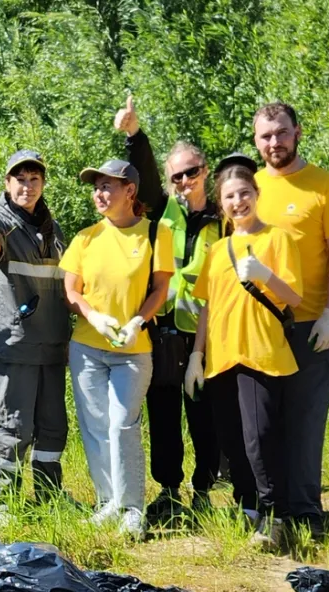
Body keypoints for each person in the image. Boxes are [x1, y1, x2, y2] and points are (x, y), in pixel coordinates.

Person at [116, 95, 227, 518]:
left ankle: (204, 488)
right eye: (176, 176)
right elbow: (141, 176)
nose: (185, 181)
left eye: (192, 173)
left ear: (205, 172)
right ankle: (168, 489)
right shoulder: (160, 212)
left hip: (208, 333)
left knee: (205, 416)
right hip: (163, 330)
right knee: (163, 415)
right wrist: (133, 135)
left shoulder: (224, 216)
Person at [188, 158, 304, 551]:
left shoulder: (278, 238)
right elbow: (207, 306)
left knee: (260, 438)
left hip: (261, 353)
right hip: (222, 356)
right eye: (229, 197)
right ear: (220, 204)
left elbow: (295, 298)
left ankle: (276, 516)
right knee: (233, 442)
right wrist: (196, 355)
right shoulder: (218, 250)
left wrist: (265, 275)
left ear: (256, 195)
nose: (238, 202)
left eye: (244, 193)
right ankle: (248, 507)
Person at [251, 103, 329, 530]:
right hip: (260, 328)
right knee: (265, 426)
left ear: (296, 131)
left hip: (312, 324)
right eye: (265, 136)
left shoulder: (325, 185)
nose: (274, 142)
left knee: (306, 422)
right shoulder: (250, 187)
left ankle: (307, 513)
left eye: (280, 133)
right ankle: (271, 512)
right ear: (256, 141)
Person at [60, 158, 174, 537]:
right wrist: (94, 317)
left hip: (134, 348)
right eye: (97, 187)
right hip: (87, 348)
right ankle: (108, 501)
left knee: (123, 423)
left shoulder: (156, 234)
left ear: (130, 191)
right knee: (95, 426)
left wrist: (138, 320)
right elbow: (71, 290)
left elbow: (160, 289)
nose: (100, 193)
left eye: (108, 186)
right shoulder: (85, 238)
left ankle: (132, 508)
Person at [0, 149, 70, 504]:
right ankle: (2, 503)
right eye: (20, 179)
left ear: (42, 183)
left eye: (34, 179)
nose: (27, 186)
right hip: (16, 345)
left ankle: (49, 498)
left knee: (52, 428)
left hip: (53, 346)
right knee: (14, 427)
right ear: (7, 183)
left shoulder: (53, 229)